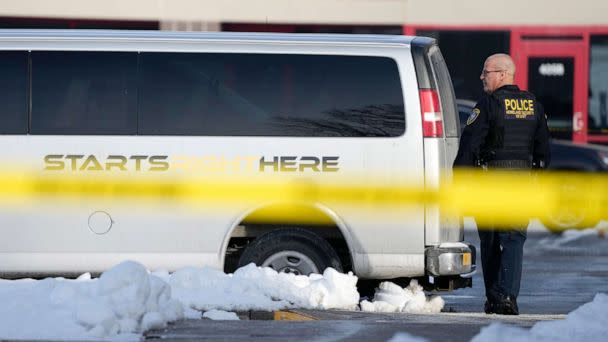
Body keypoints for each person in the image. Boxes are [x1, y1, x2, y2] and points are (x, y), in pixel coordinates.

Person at [454, 53, 551, 315]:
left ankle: (495, 298)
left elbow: (469, 146)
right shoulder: (534, 106)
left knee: (490, 239)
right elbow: (543, 152)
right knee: (513, 240)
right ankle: (509, 297)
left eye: (486, 72)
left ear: (502, 74)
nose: (482, 77)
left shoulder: (488, 104)